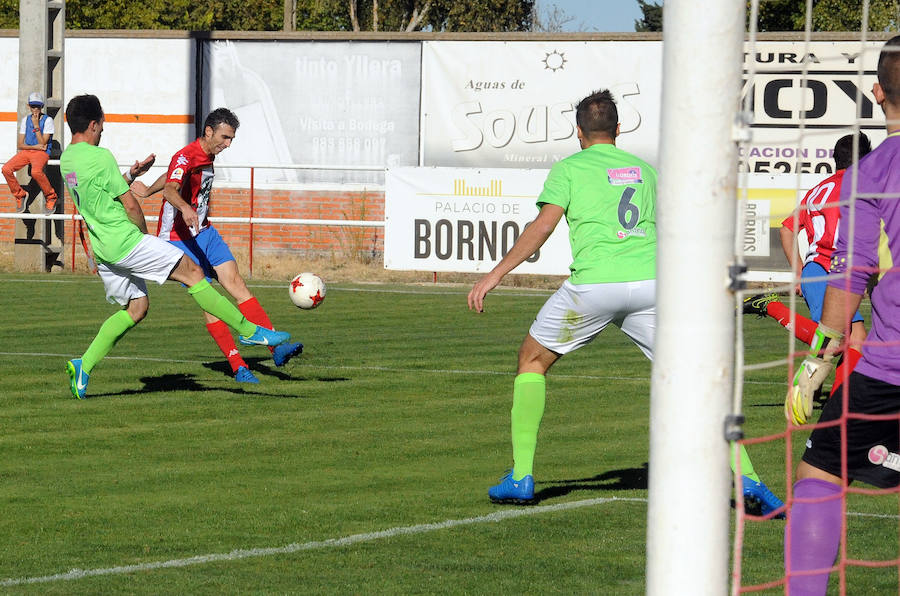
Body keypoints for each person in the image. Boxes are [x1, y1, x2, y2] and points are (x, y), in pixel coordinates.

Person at [468, 89, 654, 505]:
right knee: (692, 382)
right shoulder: (645, 170)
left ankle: (520, 477)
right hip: (651, 286)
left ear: (579, 133)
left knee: (532, 360)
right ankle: (750, 480)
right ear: (618, 129)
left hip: (595, 286)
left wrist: (495, 274)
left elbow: (543, 226)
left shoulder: (569, 168)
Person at [59, 94, 292, 399]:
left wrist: (131, 175)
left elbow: (97, 188)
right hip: (126, 241)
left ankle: (83, 366)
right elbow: (130, 206)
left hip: (103, 248)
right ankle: (249, 332)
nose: (103, 128)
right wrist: (145, 237)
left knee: (137, 309)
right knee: (193, 272)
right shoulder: (101, 157)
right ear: (93, 124)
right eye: (101, 123)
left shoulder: (67, 160)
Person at [784, 35, 900, 595]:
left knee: (819, 474)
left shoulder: (868, 175)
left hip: (888, 368)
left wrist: (816, 366)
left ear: (878, 92)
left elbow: (849, 280)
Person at [130, 108, 302, 384]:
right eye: (225, 137)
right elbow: (173, 187)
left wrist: (150, 189)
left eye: (232, 138)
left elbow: (173, 177)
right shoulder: (186, 155)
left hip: (204, 231)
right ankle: (237, 366)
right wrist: (184, 207)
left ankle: (276, 348)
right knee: (210, 300)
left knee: (236, 284)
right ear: (208, 131)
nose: (228, 144)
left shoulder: (207, 155)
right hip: (177, 237)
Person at [743, 134, 872, 424]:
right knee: (842, 340)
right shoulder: (858, 186)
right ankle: (772, 307)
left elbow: (787, 228)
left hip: (816, 269)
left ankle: (838, 406)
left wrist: (800, 272)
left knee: (848, 340)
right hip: (836, 269)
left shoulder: (818, 189)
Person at [2, 91, 58, 213]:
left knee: (36, 172)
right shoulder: (25, 120)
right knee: (6, 169)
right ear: (29, 106)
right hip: (29, 151)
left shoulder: (48, 121)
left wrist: (36, 125)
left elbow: (43, 142)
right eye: (33, 106)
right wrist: (38, 146)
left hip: (41, 153)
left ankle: (51, 197)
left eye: (38, 106)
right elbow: (20, 144)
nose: (35, 109)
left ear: (42, 106)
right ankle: (20, 195)